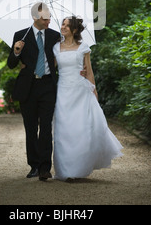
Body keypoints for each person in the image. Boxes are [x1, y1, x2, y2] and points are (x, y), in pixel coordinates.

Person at [8, 3, 85, 181]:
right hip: (28, 87)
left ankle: (44, 168)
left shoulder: (55, 36)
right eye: (45, 18)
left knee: (46, 128)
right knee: (30, 127)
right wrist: (16, 52)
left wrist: (79, 69)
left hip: (48, 86)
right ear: (35, 18)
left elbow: (67, 53)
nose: (49, 20)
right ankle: (33, 166)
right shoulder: (21, 36)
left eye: (50, 17)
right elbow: (11, 63)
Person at [53, 16, 123, 181]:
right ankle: (64, 170)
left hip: (80, 91)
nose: (62, 27)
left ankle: (79, 167)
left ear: (75, 30)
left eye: (66, 25)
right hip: (63, 92)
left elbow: (89, 71)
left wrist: (94, 90)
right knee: (63, 130)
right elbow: (51, 69)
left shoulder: (83, 47)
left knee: (80, 129)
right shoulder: (56, 47)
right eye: (62, 24)